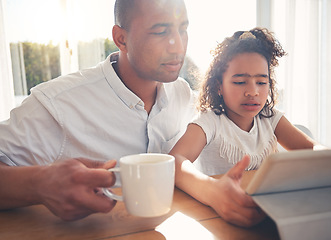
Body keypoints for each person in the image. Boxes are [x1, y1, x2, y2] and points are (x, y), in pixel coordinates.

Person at [0, 0, 195, 221]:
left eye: (183, 30)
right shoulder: (58, 104)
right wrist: (38, 184)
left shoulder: (183, 94)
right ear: (121, 38)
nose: (178, 47)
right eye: (160, 31)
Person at [170, 27, 321, 227]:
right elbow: (175, 161)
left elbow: (313, 150)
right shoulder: (210, 121)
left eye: (261, 82)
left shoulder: (270, 117)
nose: (252, 91)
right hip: (218, 216)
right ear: (218, 86)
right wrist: (213, 191)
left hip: (266, 213)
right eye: (240, 82)